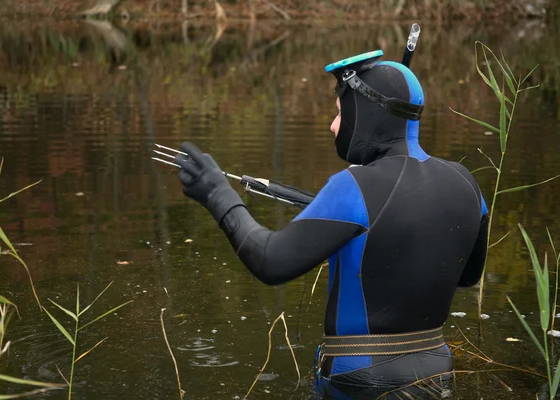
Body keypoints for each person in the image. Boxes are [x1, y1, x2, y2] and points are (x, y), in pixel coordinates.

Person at [172, 49, 489, 398]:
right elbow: (467, 275)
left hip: (358, 380)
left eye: (340, 112)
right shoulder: (466, 183)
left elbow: (270, 260)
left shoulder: (352, 187)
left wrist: (218, 194)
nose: (333, 125)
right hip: (436, 377)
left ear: (365, 113)